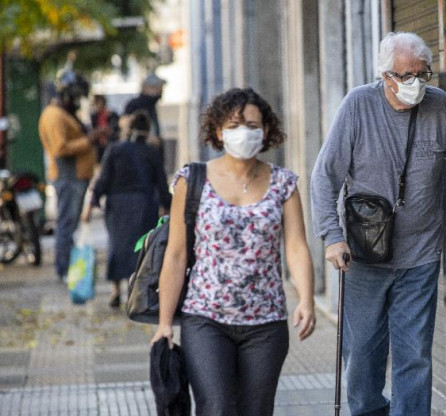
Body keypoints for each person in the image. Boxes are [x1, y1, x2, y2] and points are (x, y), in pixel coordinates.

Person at [310, 32, 446, 416]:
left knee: (414, 356)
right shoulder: (357, 105)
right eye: (406, 76)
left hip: (419, 255)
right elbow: (325, 177)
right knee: (363, 359)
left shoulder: (440, 106)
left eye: (423, 74)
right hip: (363, 256)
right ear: (385, 75)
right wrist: (332, 237)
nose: (416, 84)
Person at [151, 87, 316, 415]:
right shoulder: (192, 179)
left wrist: (307, 299)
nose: (245, 133)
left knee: (257, 410)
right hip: (205, 318)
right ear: (218, 130)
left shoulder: (284, 183)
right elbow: (176, 254)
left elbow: (296, 246)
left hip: (266, 323)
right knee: (217, 408)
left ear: (266, 131)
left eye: (253, 126)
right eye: (236, 125)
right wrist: (164, 322)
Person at [81, 111, 172, 308]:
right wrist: (168, 206)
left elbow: (102, 180)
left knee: (117, 247)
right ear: (148, 131)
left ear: (128, 129)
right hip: (144, 205)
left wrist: (90, 205)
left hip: (117, 206)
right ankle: (137, 291)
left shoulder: (115, 149)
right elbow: (162, 185)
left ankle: (116, 290)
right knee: (142, 249)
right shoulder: (151, 152)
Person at [38, 68, 98, 282]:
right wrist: (89, 140)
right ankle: (63, 269)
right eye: (75, 97)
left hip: (75, 176)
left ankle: (69, 268)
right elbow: (59, 148)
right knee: (66, 224)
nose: (77, 102)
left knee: (69, 225)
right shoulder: (54, 116)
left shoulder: (64, 114)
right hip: (68, 176)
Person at [123, 74, 166, 162]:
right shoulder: (135, 105)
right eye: (158, 87)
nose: (161, 91)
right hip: (139, 155)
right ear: (147, 88)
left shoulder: (151, 105)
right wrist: (148, 138)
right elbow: (126, 126)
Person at [89, 94, 120, 163]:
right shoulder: (94, 116)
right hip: (99, 146)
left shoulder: (112, 114)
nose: (96, 105)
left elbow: (116, 130)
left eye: (97, 103)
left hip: (110, 144)